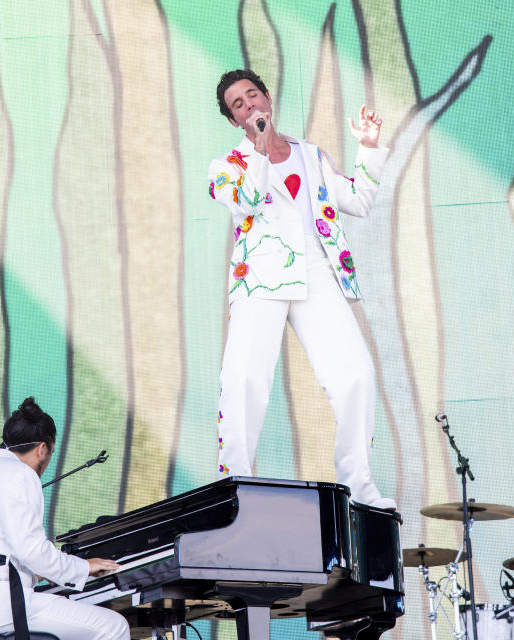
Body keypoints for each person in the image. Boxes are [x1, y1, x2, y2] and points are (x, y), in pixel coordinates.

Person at [207, 69, 394, 510]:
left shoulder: (310, 156)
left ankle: (359, 487)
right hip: (261, 276)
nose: (250, 105)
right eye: (238, 104)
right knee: (243, 381)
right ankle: (235, 487)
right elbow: (248, 200)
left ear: (268, 98)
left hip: (314, 269)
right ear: (234, 121)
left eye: (253, 95)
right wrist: (258, 152)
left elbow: (359, 201)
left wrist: (368, 148)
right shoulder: (224, 168)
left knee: (356, 375)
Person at [0, 397, 129, 640]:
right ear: (42, 449)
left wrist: (38, 573)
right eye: (51, 453)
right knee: (114, 627)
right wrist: (84, 567)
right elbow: (31, 551)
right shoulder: (21, 474)